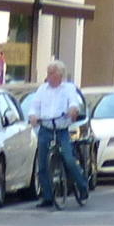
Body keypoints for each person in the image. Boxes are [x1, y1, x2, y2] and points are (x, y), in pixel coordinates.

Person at [25, 59, 88, 210]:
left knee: (69, 159)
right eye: (47, 73)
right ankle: (47, 196)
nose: (48, 76)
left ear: (60, 74)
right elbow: (34, 106)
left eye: (51, 73)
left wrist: (73, 110)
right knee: (42, 165)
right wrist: (33, 116)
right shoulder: (42, 89)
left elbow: (74, 103)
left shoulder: (68, 88)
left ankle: (82, 186)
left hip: (61, 130)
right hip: (46, 129)